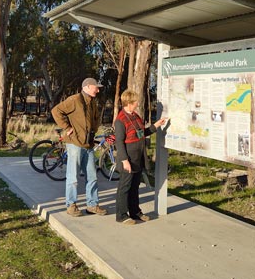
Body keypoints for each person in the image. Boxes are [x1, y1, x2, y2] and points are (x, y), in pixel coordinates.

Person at [51, 77, 108, 217]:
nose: (98, 89)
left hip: (88, 145)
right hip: (75, 144)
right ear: (87, 87)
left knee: (92, 176)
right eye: (96, 87)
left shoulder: (92, 102)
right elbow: (56, 111)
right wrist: (67, 127)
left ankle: (92, 205)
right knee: (73, 177)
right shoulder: (75, 99)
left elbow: (95, 120)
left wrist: (94, 131)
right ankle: (71, 205)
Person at [113, 89, 168, 225]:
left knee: (134, 186)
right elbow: (119, 142)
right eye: (136, 101)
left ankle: (135, 212)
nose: (138, 103)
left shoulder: (135, 116)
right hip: (128, 158)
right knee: (125, 187)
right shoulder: (120, 120)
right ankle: (121, 215)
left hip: (138, 157)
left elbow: (141, 133)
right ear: (129, 103)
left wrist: (156, 126)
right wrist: (125, 161)